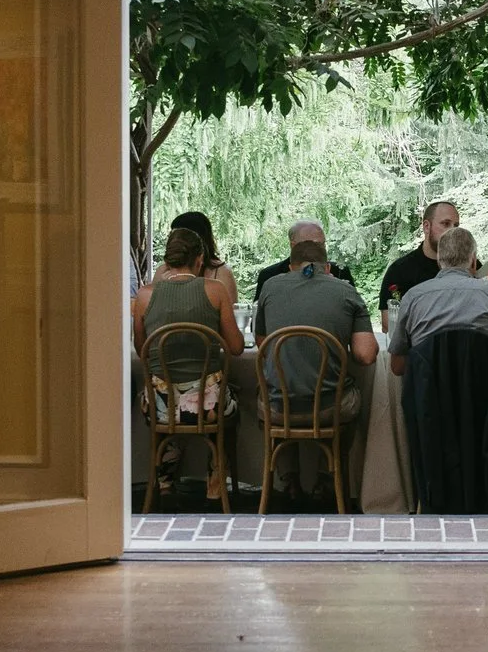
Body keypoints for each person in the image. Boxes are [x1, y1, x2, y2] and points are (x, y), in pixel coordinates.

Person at [255, 234, 378, 502]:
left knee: (273, 387)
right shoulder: (346, 291)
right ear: (328, 268)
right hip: (329, 408)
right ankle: (328, 476)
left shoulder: (270, 287)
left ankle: (288, 479)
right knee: (354, 396)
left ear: (290, 266)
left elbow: (262, 344)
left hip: (279, 409)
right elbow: (366, 355)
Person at [131, 226, 245, 502]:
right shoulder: (216, 290)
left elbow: (141, 349)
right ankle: (216, 486)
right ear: (200, 260)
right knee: (233, 405)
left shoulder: (145, 296)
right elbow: (237, 348)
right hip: (209, 405)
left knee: (161, 396)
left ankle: (165, 483)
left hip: (162, 405)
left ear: (167, 261)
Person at [387, 226, 488, 377]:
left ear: (439, 260)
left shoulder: (412, 297)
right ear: (473, 260)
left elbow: (397, 367)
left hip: (429, 398)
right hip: (487, 397)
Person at [379, 200, 461, 316]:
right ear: (426, 227)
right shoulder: (399, 271)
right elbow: (389, 322)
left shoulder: (469, 266)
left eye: (456, 226)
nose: (453, 231)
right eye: (446, 224)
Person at [153, 211, 239, 305]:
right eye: (172, 235)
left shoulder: (221, 272)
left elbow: (232, 313)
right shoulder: (162, 271)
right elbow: (149, 312)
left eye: (179, 236)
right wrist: (162, 289)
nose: (174, 240)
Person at [253, 220, 355, 297]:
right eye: (312, 245)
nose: (320, 249)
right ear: (293, 246)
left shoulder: (340, 272)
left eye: (322, 244)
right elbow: (257, 320)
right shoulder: (270, 275)